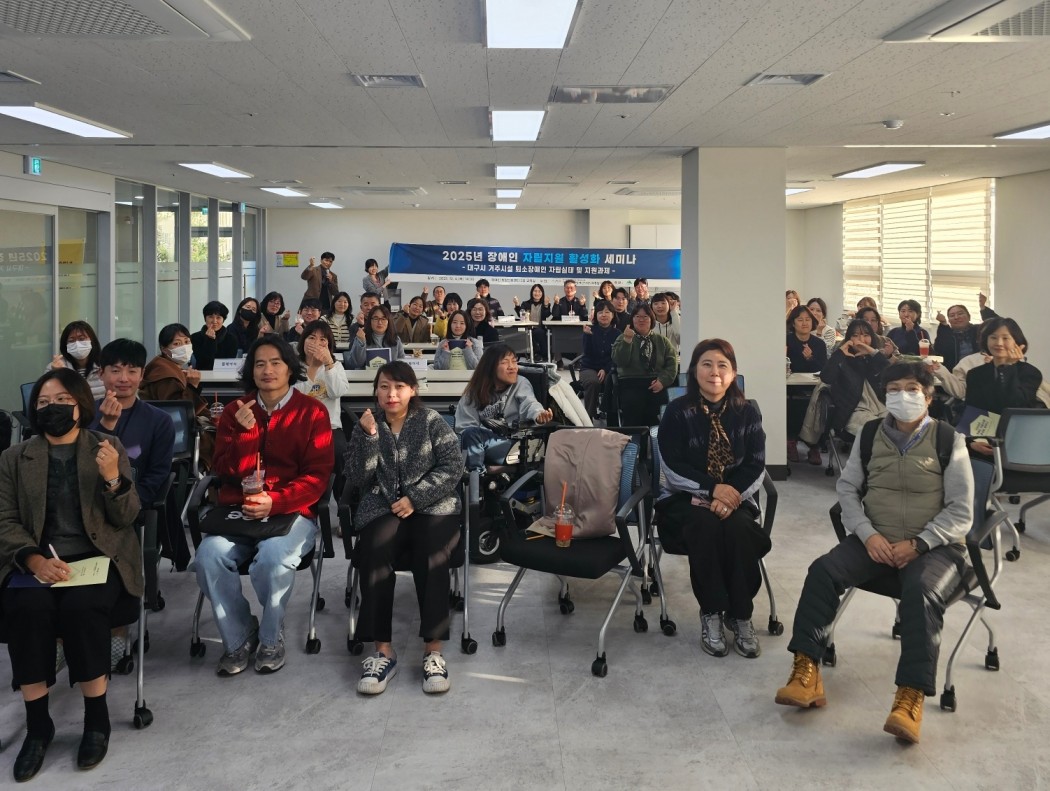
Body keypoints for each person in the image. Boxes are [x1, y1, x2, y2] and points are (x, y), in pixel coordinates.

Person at [776, 361, 973, 745]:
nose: (902, 396)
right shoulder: (870, 434)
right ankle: (806, 671)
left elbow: (962, 510)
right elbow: (848, 490)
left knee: (921, 592)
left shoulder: (949, 440)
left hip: (935, 546)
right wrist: (867, 535)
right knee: (822, 571)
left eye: (912, 389)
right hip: (876, 541)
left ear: (928, 397)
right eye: (894, 389)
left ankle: (909, 697)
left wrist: (920, 543)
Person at [0, 368, 141, 780]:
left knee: (83, 607)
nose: (53, 408)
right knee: (27, 608)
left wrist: (113, 478)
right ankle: (38, 725)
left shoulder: (106, 447)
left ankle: (96, 719)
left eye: (62, 400)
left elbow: (126, 517)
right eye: (44, 402)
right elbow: (5, 519)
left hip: (98, 559)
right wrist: (33, 560)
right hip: (38, 562)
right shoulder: (14, 458)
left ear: (81, 405)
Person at [194, 335, 333, 676]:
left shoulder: (312, 411)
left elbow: (317, 477)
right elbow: (224, 470)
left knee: (272, 558)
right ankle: (240, 635)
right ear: (251, 371)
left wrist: (276, 502)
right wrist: (245, 434)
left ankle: (271, 637)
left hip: (291, 512)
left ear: (290, 368)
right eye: (259, 364)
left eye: (275, 363)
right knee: (208, 556)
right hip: (240, 513)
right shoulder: (235, 411)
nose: (267, 370)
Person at [346, 362, 463, 695]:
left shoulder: (430, 421)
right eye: (384, 386)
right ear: (376, 391)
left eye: (399, 386)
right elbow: (357, 477)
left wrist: (415, 497)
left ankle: (433, 651)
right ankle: (383, 652)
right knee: (373, 548)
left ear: (413, 390)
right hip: (383, 506)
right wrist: (369, 438)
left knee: (432, 552)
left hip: (432, 505)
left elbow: (453, 466)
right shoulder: (367, 424)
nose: (391, 394)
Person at [657, 339, 770, 658]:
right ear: (694, 371)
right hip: (684, 499)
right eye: (706, 364)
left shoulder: (747, 412)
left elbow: (756, 465)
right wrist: (710, 490)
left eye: (723, 365)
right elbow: (672, 466)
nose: (715, 372)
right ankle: (712, 612)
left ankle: (741, 614)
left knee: (739, 529)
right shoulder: (677, 412)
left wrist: (728, 497)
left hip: (736, 499)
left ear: (733, 373)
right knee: (704, 526)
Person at [90, 339, 176, 509]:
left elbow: (157, 475)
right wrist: (106, 425)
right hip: (88, 504)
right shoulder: (84, 414)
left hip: (135, 507)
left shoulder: (160, 421)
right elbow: (83, 464)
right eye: (115, 371)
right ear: (101, 373)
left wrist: (128, 505)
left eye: (132, 371)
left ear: (142, 374)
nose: (124, 379)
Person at [455, 343, 553, 470]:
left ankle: (475, 477)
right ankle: (475, 476)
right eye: (505, 362)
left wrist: (539, 414)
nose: (512, 367)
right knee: (470, 434)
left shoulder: (521, 383)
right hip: (485, 443)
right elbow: (465, 427)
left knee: (472, 439)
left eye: (514, 361)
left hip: (518, 445)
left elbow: (529, 403)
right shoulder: (474, 392)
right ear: (490, 367)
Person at [141, 323, 216, 470]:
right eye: (177, 344)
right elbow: (178, 413)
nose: (184, 347)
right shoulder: (166, 375)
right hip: (179, 441)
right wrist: (193, 386)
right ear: (164, 349)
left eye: (187, 342)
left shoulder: (165, 366)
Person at [294, 320, 351, 487]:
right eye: (312, 338)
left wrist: (328, 364)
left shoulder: (336, 366)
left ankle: (341, 498)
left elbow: (337, 392)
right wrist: (313, 368)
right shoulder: (293, 365)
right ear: (303, 340)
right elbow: (296, 399)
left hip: (329, 427)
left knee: (340, 453)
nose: (317, 343)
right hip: (299, 426)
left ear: (329, 345)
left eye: (322, 340)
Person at [819, 319, 891, 439]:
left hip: (882, 407)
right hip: (854, 411)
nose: (861, 340)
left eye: (866, 335)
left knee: (899, 427)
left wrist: (872, 352)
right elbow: (826, 377)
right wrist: (839, 353)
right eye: (856, 335)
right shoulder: (843, 359)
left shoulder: (875, 359)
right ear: (849, 338)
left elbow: (891, 375)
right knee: (877, 432)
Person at [963, 317, 1044, 420]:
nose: (999, 343)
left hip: (1017, 426)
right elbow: (971, 409)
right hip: (984, 427)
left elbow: (1015, 404)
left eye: (1005, 338)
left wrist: (1008, 367)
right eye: (993, 337)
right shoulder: (975, 374)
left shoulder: (1031, 373)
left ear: (1017, 342)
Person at [611, 304, 678, 427]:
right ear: (632, 320)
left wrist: (662, 381)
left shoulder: (662, 341)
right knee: (633, 407)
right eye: (637, 316)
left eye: (645, 317)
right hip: (631, 383)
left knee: (659, 411)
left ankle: (655, 437)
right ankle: (635, 438)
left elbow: (672, 365)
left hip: (656, 383)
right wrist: (627, 341)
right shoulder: (622, 338)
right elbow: (620, 361)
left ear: (652, 319)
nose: (641, 320)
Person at [786, 305, 828, 462]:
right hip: (791, 387)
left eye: (808, 319)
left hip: (813, 387)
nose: (804, 323)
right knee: (793, 403)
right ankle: (791, 441)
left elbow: (823, 369)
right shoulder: (786, 341)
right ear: (793, 323)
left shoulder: (819, 344)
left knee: (819, 403)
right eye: (800, 320)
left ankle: (814, 446)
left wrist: (810, 358)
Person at [578, 300, 621, 419]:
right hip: (589, 367)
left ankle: (610, 416)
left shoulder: (618, 334)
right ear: (596, 315)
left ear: (613, 315)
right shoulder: (589, 330)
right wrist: (587, 336)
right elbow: (587, 353)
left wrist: (606, 369)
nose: (603, 315)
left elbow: (617, 357)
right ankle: (588, 417)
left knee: (611, 381)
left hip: (609, 368)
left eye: (607, 312)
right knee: (593, 382)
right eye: (600, 312)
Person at [47, 321, 105, 400]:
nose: (77, 344)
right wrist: (58, 374)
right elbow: (48, 396)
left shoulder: (104, 366)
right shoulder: (54, 367)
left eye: (81, 339)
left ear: (92, 341)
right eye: (71, 341)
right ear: (65, 345)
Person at [347, 305, 405, 369]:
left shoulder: (395, 339)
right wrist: (361, 341)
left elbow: (402, 363)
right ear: (370, 321)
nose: (379, 322)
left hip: (390, 374)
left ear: (388, 321)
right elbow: (355, 364)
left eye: (383, 319)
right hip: (365, 374)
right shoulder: (362, 336)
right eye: (376, 318)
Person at [190, 301, 238, 371]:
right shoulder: (195, 338)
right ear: (205, 318)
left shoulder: (231, 339)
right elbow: (203, 363)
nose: (214, 321)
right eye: (210, 317)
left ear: (223, 320)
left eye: (218, 317)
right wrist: (210, 341)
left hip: (224, 375)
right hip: (202, 375)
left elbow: (228, 363)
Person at [933, 304, 980, 371]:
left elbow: (993, 324)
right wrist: (943, 324)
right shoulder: (947, 334)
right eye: (952, 315)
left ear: (969, 317)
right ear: (949, 321)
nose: (956, 317)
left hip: (978, 371)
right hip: (955, 373)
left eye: (960, 314)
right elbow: (939, 351)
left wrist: (983, 308)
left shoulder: (979, 330)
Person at [512, 284, 551, 361]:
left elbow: (546, 315)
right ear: (532, 292)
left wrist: (546, 306)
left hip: (540, 328)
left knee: (540, 332)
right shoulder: (526, 303)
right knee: (532, 333)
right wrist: (517, 305)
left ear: (542, 293)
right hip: (528, 328)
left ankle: (540, 354)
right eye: (535, 291)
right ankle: (537, 354)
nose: (537, 293)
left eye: (539, 291)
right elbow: (521, 314)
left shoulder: (545, 303)